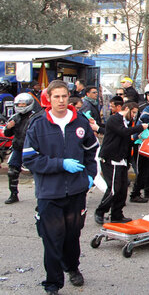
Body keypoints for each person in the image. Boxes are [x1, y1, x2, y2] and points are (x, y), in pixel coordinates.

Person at [22, 80, 99, 295]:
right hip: (49, 193)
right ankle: (53, 283)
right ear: (48, 98)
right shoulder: (38, 123)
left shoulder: (81, 122)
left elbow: (92, 151)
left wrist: (90, 176)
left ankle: (72, 268)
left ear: (69, 97)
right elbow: (29, 158)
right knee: (52, 239)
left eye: (64, 96)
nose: (61, 100)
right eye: (56, 96)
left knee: (72, 235)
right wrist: (60, 164)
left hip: (76, 191)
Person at [94, 100, 148, 224]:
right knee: (114, 188)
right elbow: (123, 132)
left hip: (121, 159)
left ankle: (117, 214)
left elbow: (125, 139)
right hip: (110, 159)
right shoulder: (115, 119)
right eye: (133, 112)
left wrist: (138, 138)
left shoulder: (126, 123)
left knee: (122, 190)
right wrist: (140, 127)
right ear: (127, 109)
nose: (134, 116)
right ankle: (100, 211)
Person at [3, 93, 40, 204]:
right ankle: (13, 194)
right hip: (18, 147)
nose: (21, 106)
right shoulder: (15, 117)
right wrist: (9, 127)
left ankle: (42, 196)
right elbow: (7, 133)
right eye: (19, 104)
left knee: (38, 172)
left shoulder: (35, 117)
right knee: (12, 171)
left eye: (23, 104)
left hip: (32, 149)